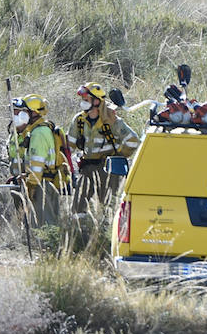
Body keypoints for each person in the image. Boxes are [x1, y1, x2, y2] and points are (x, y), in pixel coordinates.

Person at [67, 82, 138, 216]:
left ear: (97, 101)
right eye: (83, 99)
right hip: (86, 168)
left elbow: (133, 141)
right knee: (77, 210)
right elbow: (68, 147)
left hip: (108, 171)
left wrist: (118, 156)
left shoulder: (112, 120)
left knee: (109, 210)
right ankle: (81, 233)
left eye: (86, 99)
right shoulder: (79, 120)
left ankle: (106, 233)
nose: (83, 102)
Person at [10, 94, 59, 227]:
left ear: (34, 113)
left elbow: (37, 165)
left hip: (42, 185)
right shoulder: (35, 131)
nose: (19, 115)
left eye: (23, 111)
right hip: (40, 182)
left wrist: (31, 184)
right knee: (38, 223)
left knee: (45, 224)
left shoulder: (39, 133)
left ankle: (48, 247)